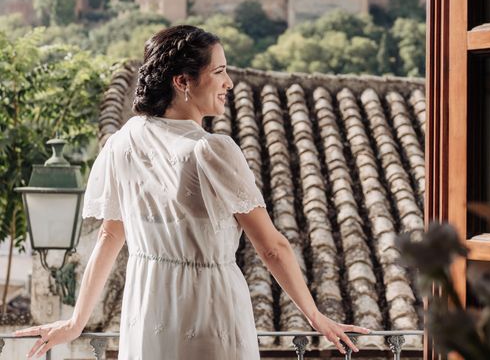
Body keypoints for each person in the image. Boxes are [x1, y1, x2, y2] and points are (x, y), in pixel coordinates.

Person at [14, 25, 369, 359]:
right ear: (183, 81)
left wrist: (77, 322)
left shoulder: (124, 141)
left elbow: (111, 233)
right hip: (209, 305)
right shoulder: (212, 150)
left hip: (146, 305)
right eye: (219, 72)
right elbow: (271, 247)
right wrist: (315, 316)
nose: (229, 82)